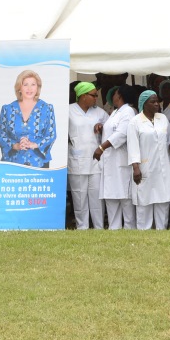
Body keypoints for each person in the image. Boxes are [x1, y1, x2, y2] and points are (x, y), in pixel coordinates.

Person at [127, 90, 170, 230]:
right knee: (144, 200)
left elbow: (168, 138)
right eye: (152, 102)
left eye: (157, 101)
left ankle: (161, 229)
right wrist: (135, 168)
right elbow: (132, 146)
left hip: (162, 166)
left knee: (162, 199)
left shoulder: (162, 118)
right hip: (144, 166)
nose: (157, 104)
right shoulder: (135, 122)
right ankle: (143, 231)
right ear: (143, 104)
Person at [95, 85, 137, 229]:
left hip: (120, 160)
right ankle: (114, 229)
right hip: (110, 162)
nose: (113, 96)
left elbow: (122, 134)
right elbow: (110, 129)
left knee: (125, 198)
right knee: (111, 197)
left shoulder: (129, 111)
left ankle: (129, 228)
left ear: (119, 95)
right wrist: (101, 126)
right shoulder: (115, 112)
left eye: (115, 93)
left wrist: (101, 147)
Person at [0, 69, 56, 168]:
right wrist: (15, 145)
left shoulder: (47, 108)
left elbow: (51, 134)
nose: (29, 88)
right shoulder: (7, 109)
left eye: (33, 84)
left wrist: (34, 144)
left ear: (38, 87)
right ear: (19, 88)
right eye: (25, 84)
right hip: (13, 162)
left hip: (39, 163)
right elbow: (1, 135)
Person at [68, 82, 108, 230]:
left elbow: (112, 130)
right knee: (79, 197)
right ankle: (82, 227)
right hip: (76, 160)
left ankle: (98, 228)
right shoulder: (69, 110)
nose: (96, 98)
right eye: (93, 95)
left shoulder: (100, 112)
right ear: (83, 96)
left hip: (96, 160)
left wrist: (102, 127)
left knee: (96, 197)